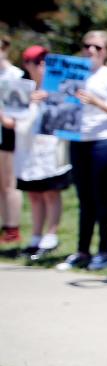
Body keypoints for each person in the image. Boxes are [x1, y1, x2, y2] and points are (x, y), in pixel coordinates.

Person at [56, 30, 107, 271]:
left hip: (104, 141)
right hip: (78, 141)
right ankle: (82, 250)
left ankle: (103, 251)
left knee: (102, 197)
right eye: (87, 46)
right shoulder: (73, 74)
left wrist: (96, 102)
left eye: (97, 47)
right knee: (84, 199)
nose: (91, 51)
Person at [9, 46, 71, 259]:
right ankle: (35, 235)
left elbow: (69, 112)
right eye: (37, 62)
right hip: (28, 149)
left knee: (51, 192)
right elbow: (10, 121)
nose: (42, 67)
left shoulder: (58, 87)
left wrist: (49, 98)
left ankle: (51, 234)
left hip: (51, 147)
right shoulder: (20, 89)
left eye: (45, 62)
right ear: (27, 66)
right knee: (34, 194)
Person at [0, 34, 25, 244]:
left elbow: (18, 111)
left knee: (9, 183)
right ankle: (4, 224)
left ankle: (13, 227)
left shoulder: (15, 75)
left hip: (9, 132)